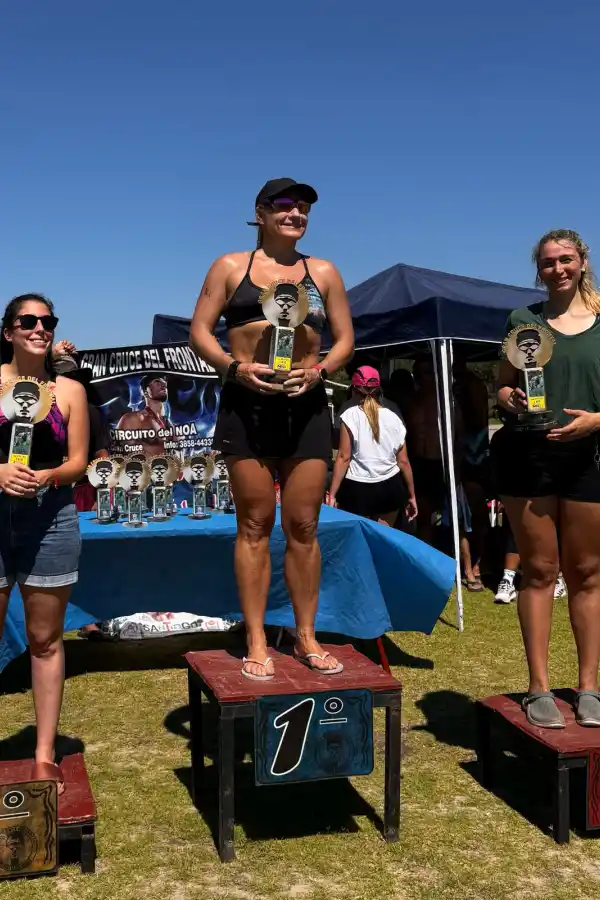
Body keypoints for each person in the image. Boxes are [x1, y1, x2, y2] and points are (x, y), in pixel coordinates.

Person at [190, 178, 354, 680]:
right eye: (285, 205)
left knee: (304, 527)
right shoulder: (230, 266)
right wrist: (234, 368)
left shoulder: (323, 271)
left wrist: (321, 371)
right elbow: (199, 330)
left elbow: (345, 338)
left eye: (303, 207)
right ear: (260, 213)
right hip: (246, 405)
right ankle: (257, 638)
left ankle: (306, 636)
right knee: (254, 526)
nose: (296, 213)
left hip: (305, 409)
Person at [493, 229, 600, 728]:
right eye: (548, 262)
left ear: (582, 261)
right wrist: (508, 400)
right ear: (538, 269)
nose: (558, 268)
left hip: (589, 457)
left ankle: (589, 688)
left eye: (566, 259)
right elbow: (502, 387)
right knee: (538, 570)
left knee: (586, 574)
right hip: (528, 456)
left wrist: (596, 421)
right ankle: (537, 688)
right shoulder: (523, 321)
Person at [0, 293, 89, 791]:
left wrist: (49, 476)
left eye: (47, 321)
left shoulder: (70, 390)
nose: (39, 328)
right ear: (9, 330)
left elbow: (78, 461)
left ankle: (43, 753)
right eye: (27, 321)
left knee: (45, 640)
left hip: (50, 520)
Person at [327, 366, 417, 525]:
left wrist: (332, 494)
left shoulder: (349, 415)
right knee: (385, 537)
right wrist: (412, 495)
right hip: (390, 485)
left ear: (354, 390)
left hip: (358, 487)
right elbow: (403, 462)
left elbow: (343, 457)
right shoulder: (394, 416)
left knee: (359, 537)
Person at [117, 375, 173, 456]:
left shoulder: (170, 425)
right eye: (157, 381)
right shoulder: (133, 419)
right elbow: (121, 456)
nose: (163, 385)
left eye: (164, 383)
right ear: (145, 391)